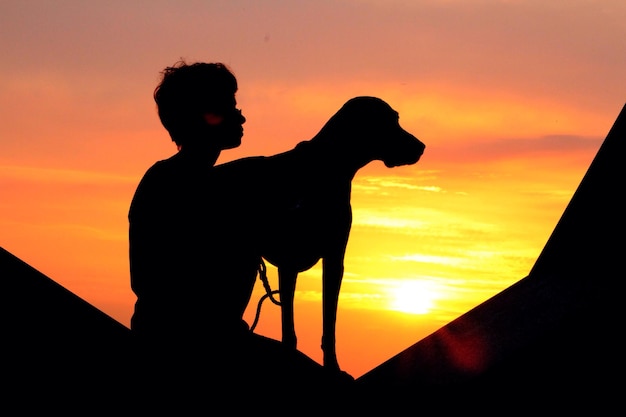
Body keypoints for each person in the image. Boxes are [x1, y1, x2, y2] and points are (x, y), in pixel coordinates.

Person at [128, 61, 256, 356]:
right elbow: (157, 285)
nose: (242, 116)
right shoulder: (174, 183)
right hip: (190, 346)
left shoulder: (172, 179)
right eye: (231, 106)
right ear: (206, 115)